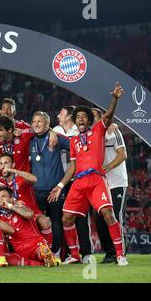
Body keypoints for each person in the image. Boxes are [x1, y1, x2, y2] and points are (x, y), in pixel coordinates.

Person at [48, 82, 128, 266]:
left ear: (89, 121)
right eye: (79, 117)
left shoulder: (98, 131)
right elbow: (72, 167)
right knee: (66, 218)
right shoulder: (74, 141)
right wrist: (60, 186)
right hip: (79, 182)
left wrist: (114, 99)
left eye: (84, 117)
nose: (81, 119)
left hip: (96, 180)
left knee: (109, 214)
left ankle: (120, 254)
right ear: (75, 121)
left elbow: (108, 116)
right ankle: (75, 255)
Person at [53, 105, 93, 262]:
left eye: (61, 113)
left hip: (77, 179)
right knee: (61, 217)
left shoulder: (79, 131)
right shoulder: (55, 129)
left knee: (81, 217)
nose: (58, 115)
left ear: (69, 116)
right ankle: (67, 253)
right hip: (59, 180)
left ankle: (86, 253)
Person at [30, 111, 70, 255]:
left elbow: (75, 145)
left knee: (56, 220)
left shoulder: (57, 138)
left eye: (39, 121)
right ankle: (41, 252)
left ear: (47, 123)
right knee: (38, 221)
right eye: (34, 121)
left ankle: (56, 252)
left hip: (55, 189)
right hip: (37, 190)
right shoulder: (30, 139)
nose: (36, 124)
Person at [92, 108, 129, 264]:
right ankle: (110, 253)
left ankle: (121, 253)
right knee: (100, 220)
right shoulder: (90, 136)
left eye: (93, 117)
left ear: (102, 118)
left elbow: (123, 155)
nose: (90, 120)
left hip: (117, 182)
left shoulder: (113, 132)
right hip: (99, 184)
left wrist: (107, 167)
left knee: (116, 216)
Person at [0, 187, 59, 267]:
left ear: (11, 198)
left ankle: (47, 255)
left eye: (3, 196)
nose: (0, 199)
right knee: (6, 257)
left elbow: (29, 214)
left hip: (34, 244)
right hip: (19, 250)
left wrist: (11, 206)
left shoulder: (19, 205)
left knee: (41, 252)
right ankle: (47, 261)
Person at [0, 153, 53, 247]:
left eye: (6, 163)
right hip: (13, 217)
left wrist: (13, 170)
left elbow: (34, 179)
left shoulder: (20, 177)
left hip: (32, 212)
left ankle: (49, 253)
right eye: (1, 164)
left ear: (13, 164)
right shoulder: (0, 183)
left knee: (44, 221)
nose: (3, 166)